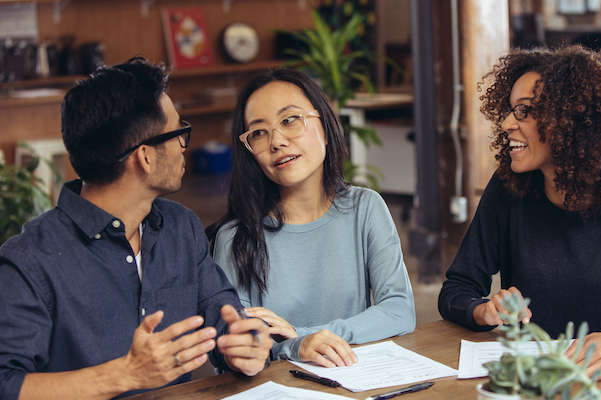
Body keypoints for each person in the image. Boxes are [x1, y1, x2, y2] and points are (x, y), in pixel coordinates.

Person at [0, 58, 272, 400]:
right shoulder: (28, 260)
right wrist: (124, 375)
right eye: (178, 134)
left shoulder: (180, 227)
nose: (184, 146)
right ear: (144, 157)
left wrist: (243, 347)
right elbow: (5, 383)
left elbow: (224, 320)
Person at [438, 45, 601, 376]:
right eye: (510, 110)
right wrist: (484, 310)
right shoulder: (508, 190)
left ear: (571, 120)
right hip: (532, 380)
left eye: (524, 111)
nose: (505, 123)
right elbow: (455, 291)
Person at [207, 69, 415, 368]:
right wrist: (295, 347)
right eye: (259, 132)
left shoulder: (365, 208)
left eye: (290, 120)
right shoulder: (236, 237)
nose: (276, 141)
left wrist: (305, 337)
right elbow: (238, 346)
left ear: (326, 128)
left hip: (353, 380)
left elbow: (399, 311)